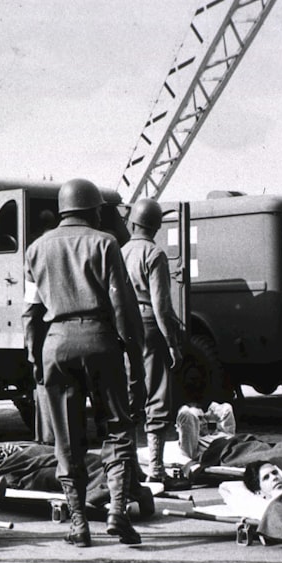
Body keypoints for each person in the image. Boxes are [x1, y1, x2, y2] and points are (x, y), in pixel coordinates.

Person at [23, 178, 146, 547]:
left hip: (56, 345)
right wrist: (134, 353)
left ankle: (78, 523)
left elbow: (30, 312)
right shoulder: (106, 243)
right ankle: (117, 513)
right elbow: (122, 304)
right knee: (117, 428)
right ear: (92, 210)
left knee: (66, 437)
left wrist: (34, 356)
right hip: (100, 340)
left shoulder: (36, 249)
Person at [122, 198, 183, 486]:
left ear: (133, 222)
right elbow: (161, 305)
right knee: (157, 393)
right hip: (149, 324)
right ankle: (156, 469)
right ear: (156, 227)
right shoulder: (154, 254)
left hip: (124, 326)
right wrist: (171, 341)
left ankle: (130, 467)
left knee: (131, 395)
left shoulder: (120, 252)